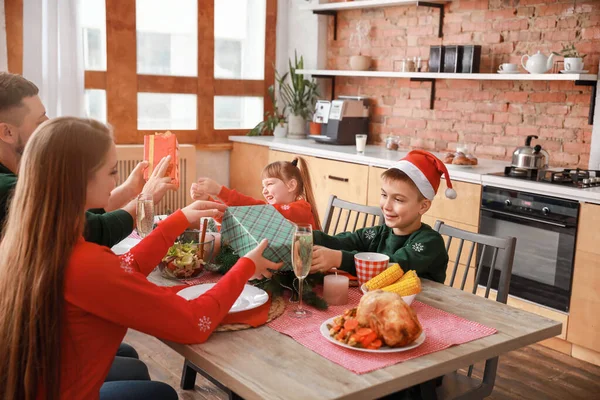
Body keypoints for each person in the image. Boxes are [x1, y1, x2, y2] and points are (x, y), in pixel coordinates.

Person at [0, 117, 281, 400]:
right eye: (111, 171)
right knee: (161, 395)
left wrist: (178, 220)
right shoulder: (85, 263)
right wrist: (246, 266)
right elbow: (194, 323)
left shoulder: (28, 241)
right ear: (77, 181)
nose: (116, 180)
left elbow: (121, 270)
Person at [0, 71, 175, 246]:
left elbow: (80, 212)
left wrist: (130, 189)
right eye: (40, 122)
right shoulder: (9, 189)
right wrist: (146, 199)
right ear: (7, 132)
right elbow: (91, 230)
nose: (49, 123)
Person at [310, 150, 452, 284]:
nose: (387, 206)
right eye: (384, 195)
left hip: (423, 307)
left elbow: (394, 266)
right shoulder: (377, 234)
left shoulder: (430, 243)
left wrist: (338, 258)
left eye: (398, 199)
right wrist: (308, 236)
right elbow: (342, 242)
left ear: (423, 206)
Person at [190, 156, 321, 230]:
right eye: (263, 186)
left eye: (269, 184)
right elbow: (237, 219)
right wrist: (207, 201)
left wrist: (220, 191)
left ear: (291, 185)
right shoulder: (274, 210)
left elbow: (256, 210)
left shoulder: (301, 209)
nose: (264, 190)